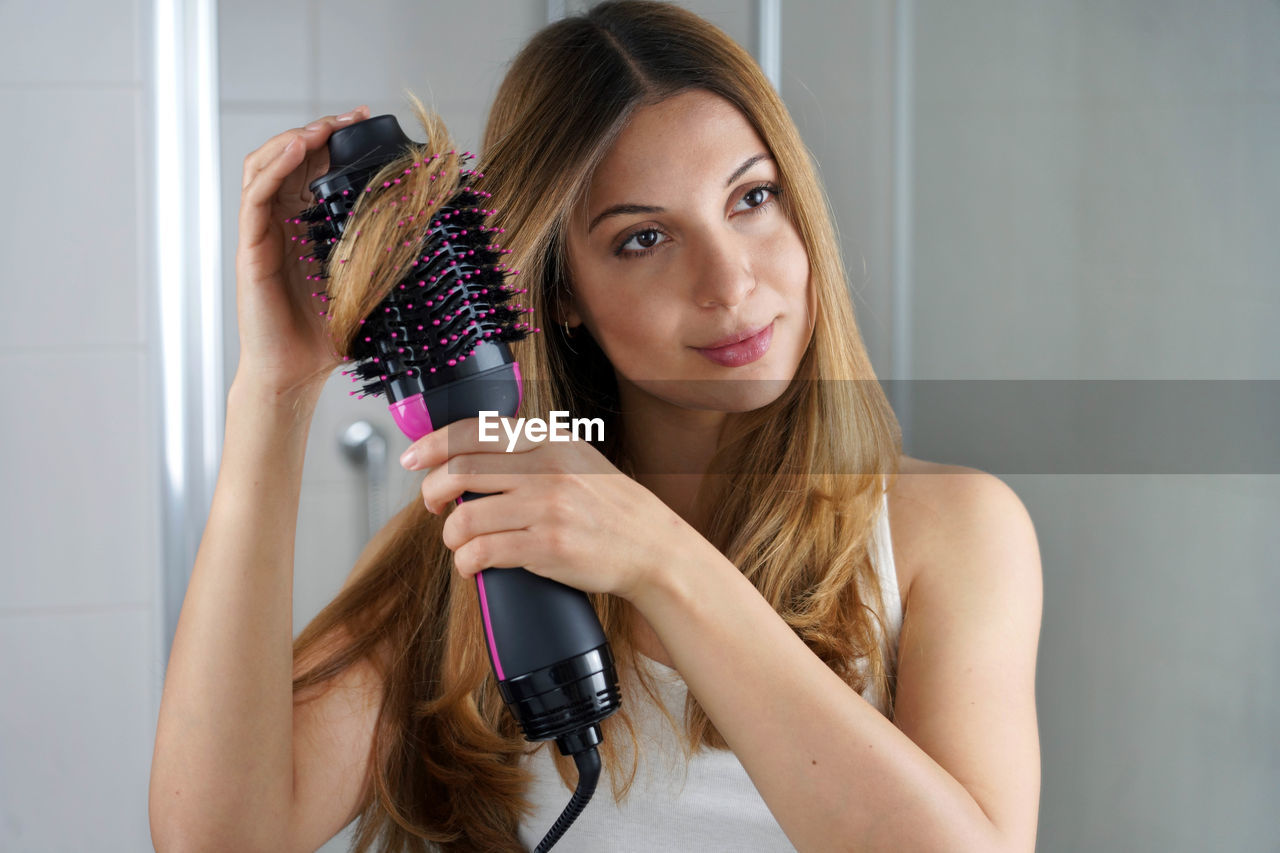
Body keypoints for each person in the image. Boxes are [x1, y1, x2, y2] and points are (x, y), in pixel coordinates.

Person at [149, 2, 1043, 851]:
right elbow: (218, 835)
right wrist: (272, 393)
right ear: (564, 291)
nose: (730, 283)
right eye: (642, 239)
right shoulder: (481, 555)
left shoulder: (947, 531)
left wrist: (660, 559)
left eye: (752, 198)